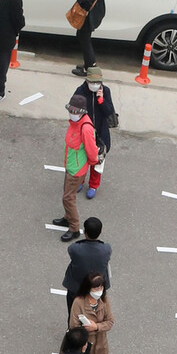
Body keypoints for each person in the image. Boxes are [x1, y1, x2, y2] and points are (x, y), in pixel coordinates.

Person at [53, 97, 99, 241]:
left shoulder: (85, 128)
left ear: (80, 112)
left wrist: (93, 162)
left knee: (68, 198)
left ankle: (74, 228)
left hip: (76, 169)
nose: (71, 113)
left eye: (74, 111)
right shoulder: (76, 122)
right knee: (68, 194)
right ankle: (67, 217)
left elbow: (91, 150)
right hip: (72, 166)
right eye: (70, 110)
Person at [72, 65, 116, 197]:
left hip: (101, 134)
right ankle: (80, 181)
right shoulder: (80, 91)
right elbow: (73, 109)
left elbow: (109, 112)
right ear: (86, 81)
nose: (95, 85)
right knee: (82, 160)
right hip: (84, 133)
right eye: (92, 82)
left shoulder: (106, 91)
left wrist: (101, 101)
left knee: (98, 162)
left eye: (97, 82)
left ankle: (93, 185)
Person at [63, 217, 112, 324]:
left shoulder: (76, 249)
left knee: (73, 313)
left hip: (76, 288)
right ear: (100, 232)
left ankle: (73, 333)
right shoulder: (106, 249)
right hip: (96, 288)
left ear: (84, 232)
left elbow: (71, 250)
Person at [69, 271, 114, 354]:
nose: (99, 291)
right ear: (88, 288)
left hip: (99, 342)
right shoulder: (79, 302)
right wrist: (87, 328)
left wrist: (96, 326)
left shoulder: (104, 300)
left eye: (101, 287)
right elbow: (73, 326)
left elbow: (110, 322)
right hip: (82, 343)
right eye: (96, 288)